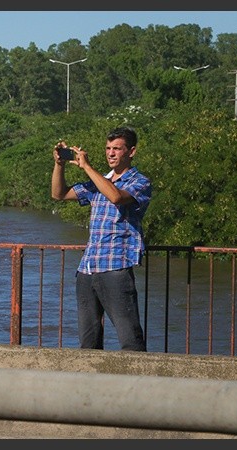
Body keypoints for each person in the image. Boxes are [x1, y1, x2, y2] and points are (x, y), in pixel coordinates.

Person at [50, 126, 151, 351]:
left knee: (130, 339)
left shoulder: (140, 182)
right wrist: (59, 164)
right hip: (88, 267)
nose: (111, 153)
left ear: (131, 152)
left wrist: (87, 167)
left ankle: (138, 374)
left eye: (117, 149)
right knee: (88, 342)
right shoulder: (99, 182)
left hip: (116, 266)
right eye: (108, 148)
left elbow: (115, 196)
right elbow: (59, 194)